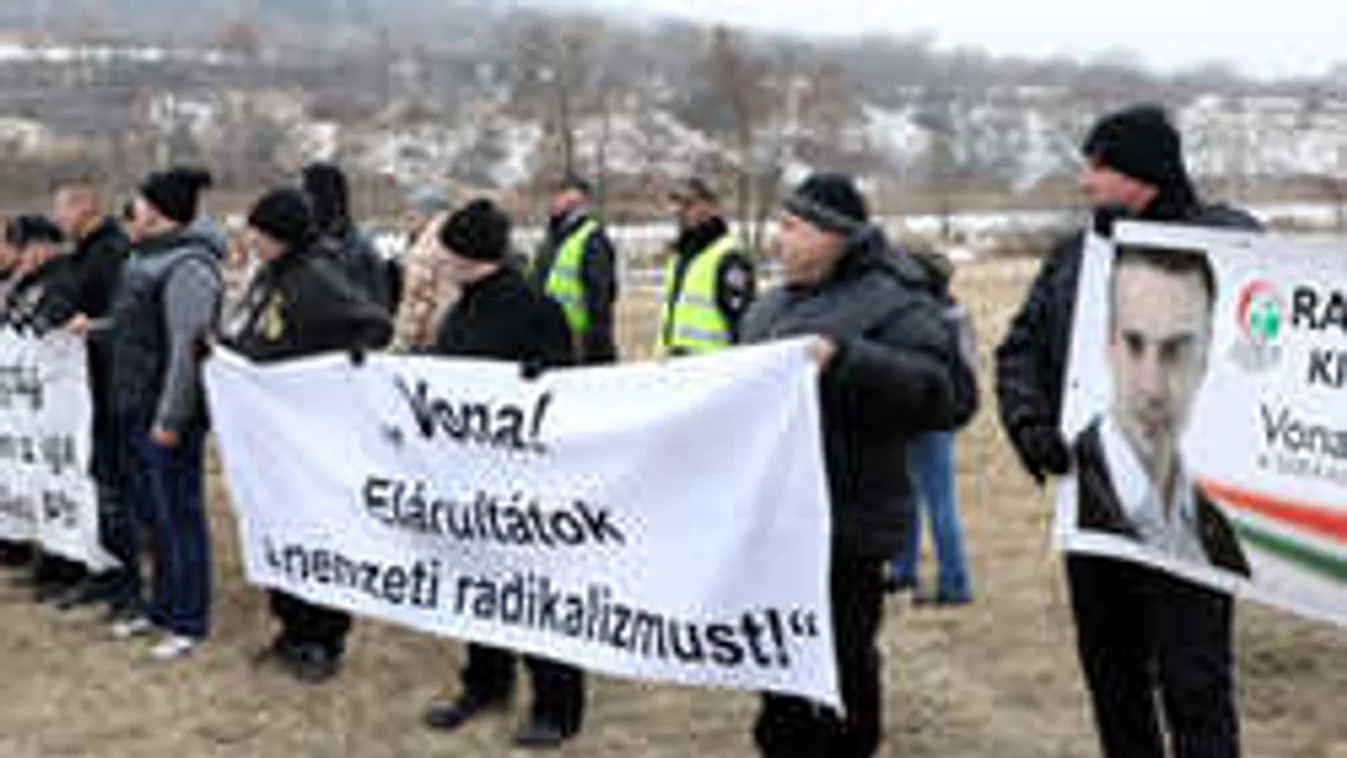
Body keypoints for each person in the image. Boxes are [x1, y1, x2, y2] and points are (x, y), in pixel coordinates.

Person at [995, 104, 1260, 758]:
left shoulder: (1231, 245)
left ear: (1139, 172)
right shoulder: (1073, 259)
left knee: (1192, 682)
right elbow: (1018, 351)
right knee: (1112, 679)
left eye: (1098, 165)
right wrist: (1030, 425)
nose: (1085, 181)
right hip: (1094, 506)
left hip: (1190, 509)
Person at [741, 173, 978, 758]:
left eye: (791, 228)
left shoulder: (896, 300)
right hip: (774, 523)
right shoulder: (767, 306)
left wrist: (848, 359)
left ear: (832, 235)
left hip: (849, 522)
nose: (777, 241)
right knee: (780, 665)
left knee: (844, 661)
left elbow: (947, 394)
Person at [418, 199, 584, 750]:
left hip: (525, 491)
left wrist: (537, 380)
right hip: (468, 484)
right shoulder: (463, 306)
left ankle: (557, 708)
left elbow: (568, 395)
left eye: (444, 248)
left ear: (468, 254)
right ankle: (486, 686)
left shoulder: (535, 309)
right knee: (477, 592)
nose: (435, 256)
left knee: (532, 596)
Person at [219, 187, 392, 683]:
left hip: (306, 436)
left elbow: (373, 328)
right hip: (269, 434)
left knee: (314, 534)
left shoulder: (315, 276)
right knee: (277, 529)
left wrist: (326, 379)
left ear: (280, 233)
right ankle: (291, 628)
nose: (248, 237)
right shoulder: (269, 274)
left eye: (256, 229)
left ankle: (323, 638)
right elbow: (253, 333)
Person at [106, 166, 222, 661]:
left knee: (180, 517)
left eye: (143, 199)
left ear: (159, 210)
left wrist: (171, 420)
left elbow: (185, 351)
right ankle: (160, 607)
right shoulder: (145, 257)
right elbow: (135, 327)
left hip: (165, 416)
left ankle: (189, 620)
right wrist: (94, 327)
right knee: (154, 518)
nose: (136, 205)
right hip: (134, 406)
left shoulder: (189, 267)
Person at [1076, 245, 1250, 577]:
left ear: (1205, 355)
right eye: (1134, 344)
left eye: (1176, 351)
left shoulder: (1219, 538)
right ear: (1108, 343)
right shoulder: (1079, 500)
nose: (1151, 388)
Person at [43, 175, 135, 615]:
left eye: (62, 209)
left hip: (107, 384)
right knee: (95, 484)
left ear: (84, 207)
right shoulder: (83, 252)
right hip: (83, 386)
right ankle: (100, 571)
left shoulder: (112, 251)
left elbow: (119, 317)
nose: (56, 218)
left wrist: (89, 327)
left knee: (113, 490)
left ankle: (120, 579)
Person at [887, 247, 976, 606]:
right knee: (916, 497)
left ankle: (954, 585)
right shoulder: (956, 312)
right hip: (943, 415)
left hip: (924, 416)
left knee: (936, 502)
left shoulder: (918, 316)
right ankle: (903, 572)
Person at [655, 177, 756, 356]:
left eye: (688, 204)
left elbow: (745, 327)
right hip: (674, 370)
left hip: (713, 373)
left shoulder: (729, 257)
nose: (679, 211)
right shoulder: (679, 257)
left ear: (712, 208)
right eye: (675, 204)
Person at [530, 174, 618, 365]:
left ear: (578, 199)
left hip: (578, 345)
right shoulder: (552, 239)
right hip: (548, 341)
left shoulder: (592, 240)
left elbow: (600, 302)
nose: (551, 200)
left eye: (559, 194)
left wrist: (596, 351)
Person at [301, 162, 397, 315]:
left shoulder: (356, 248)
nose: (304, 203)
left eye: (308, 195)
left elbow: (373, 312)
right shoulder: (304, 242)